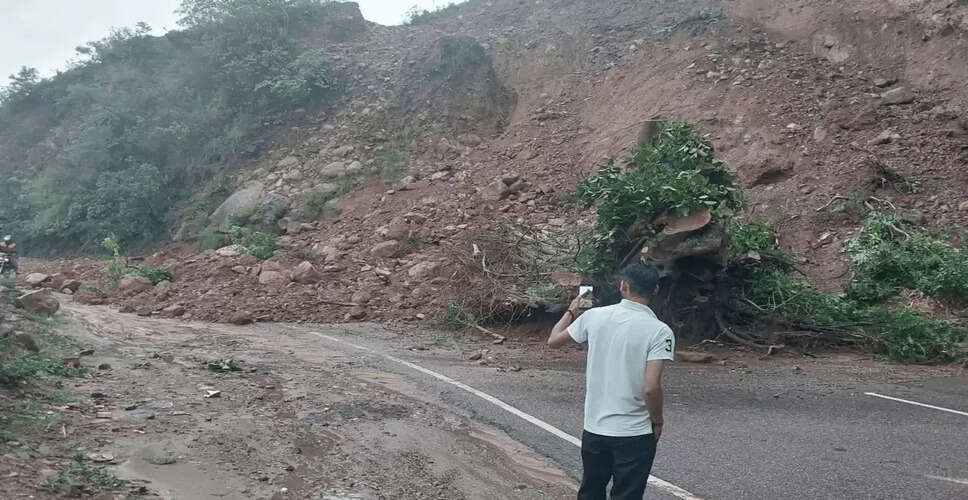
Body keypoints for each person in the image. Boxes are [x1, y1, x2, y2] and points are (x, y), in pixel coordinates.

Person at [547, 261, 675, 500]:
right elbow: (651, 388)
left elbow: (553, 341)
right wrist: (657, 421)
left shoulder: (594, 317)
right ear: (655, 290)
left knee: (591, 491)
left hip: (595, 428)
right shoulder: (660, 331)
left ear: (623, 286)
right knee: (628, 494)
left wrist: (572, 310)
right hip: (635, 432)